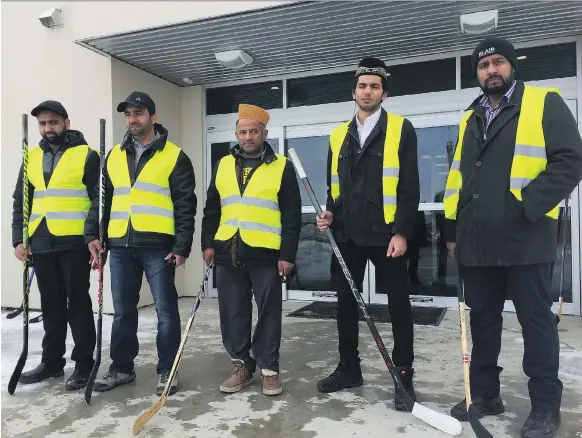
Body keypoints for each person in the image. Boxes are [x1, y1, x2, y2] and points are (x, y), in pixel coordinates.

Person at [444, 36, 582, 438]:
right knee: (483, 321)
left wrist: (526, 207)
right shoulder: (470, 119)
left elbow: (571, 160)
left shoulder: (544, 103)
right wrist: (454, 229)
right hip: (477, 242)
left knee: (536, 324)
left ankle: (544, 407)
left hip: (526, 241)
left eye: (498, 62)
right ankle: (486, 395)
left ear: (511, 66)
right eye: (483, 66)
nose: (491, 70)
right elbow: (458, 179)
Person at [315, 57, 420, 411]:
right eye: (362, 86)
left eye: (375, 86)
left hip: (387, 234)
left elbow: (409, 187)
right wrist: (330, 212)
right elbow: (336, 188)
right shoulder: (337, 134)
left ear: (384, 93)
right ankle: (349, 369)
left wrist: (402, 231)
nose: (367, 91)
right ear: (354, 92)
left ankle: (403, 376)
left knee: (399, 307)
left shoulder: (401, 129)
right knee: (345, 305)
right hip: (347, 235)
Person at [90, 91, 197, 396]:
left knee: (165, 310)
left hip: (158, 246)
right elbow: (102, 201)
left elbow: (185, 205)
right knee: (124, 311)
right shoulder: (113, 155)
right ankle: (121, 368)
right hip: (121, 243)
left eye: (138, 113)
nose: (132, 119)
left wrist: (181, 246)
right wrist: (94, 236)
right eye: (128, 114)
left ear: (153, 116)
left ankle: (168, 370)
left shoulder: (175, 156)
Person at [201, 103, 301, 396]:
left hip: (266, 254)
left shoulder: (281, 166)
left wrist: (287, 255)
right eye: (242, 132)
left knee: (268, 313)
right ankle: (241, 365)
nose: (247, 137)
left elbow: (292, 215)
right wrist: (208, 243)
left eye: (253, 131)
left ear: (264, 133)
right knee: (233, 313)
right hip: (227, 251)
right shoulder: (222, 165)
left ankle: (269, 369)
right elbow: (211, 209)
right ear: (236, 133)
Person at [12, 100, 98, 390]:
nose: (48, 128)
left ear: (66, 123)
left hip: (75, 242)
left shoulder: (87, 155)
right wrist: (18, 239)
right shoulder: (31, 157)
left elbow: (99, 199)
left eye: (53, 122)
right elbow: (21, 201)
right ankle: (52, 363)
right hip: (42, 241)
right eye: (43, 123)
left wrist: (94, 236)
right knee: (51, 306)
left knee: (78, 304)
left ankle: (84, 363)